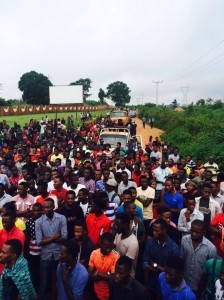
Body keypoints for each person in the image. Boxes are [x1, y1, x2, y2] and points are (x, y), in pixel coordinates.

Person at [35, 198, 68, 300]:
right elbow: (39, 241)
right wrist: (54, 237)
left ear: (53, 207)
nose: (45, 209)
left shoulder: (61, 218)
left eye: (47, 207)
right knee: (44, 283)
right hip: (45, 256)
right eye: (44, 207)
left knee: (60, 281)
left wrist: (47, 239)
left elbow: (64, 237)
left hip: (59, 256)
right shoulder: (38, 221)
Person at [143, 219, 179, 299]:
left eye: (157, 231)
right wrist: (162, 269)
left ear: (164, 230)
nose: (154, 233)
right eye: (153, 230)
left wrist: (154, 265)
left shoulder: (174, 248)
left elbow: (173, 272)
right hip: (151, 285)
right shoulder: (150, 243)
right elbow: (145, 264)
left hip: (166, 287)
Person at [180, 219, 217, 294]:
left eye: (197, 232)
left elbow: (209, 272)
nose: (194, 234)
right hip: (184, 283)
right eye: (192, 231)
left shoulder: (211, 248)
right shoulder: (184, 240)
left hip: (199, 287)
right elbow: (181, 259)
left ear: (203, 233)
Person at [89, 232, 119, 300]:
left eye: (110, 247)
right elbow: (90, 273)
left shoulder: (115, 257)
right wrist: (106, 275)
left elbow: (112, 278)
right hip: (95, 291)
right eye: (106, 247)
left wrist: (97, 273)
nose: (108, 250)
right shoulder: (94, 253)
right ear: (100, 244)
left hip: (109, 294)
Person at [0, 210, 25, 274]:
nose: (4, 224)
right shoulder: (1, 232)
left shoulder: (20, 234)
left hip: (13, 268)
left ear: (13, 220)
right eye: (3, 222)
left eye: (6, 222)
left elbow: (15, 255)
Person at [114, 213, 139, 277]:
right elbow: (113, 246)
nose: (115, 227)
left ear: (125, 225)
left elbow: (127, 264)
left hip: (126, 276)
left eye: (118, 225)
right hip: (117, 271)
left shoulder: (133, 243)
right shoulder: (118, 234)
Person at [26, 202, 42, 292]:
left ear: (41, 211)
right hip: (32, 249)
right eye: (34, 211)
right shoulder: (29, 221)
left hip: (42, 248)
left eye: (38, 211)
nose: (36, 212)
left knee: (41, 270)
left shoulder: (44, 220)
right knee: (33, 270)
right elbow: (28, 236)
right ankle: (34, 289)